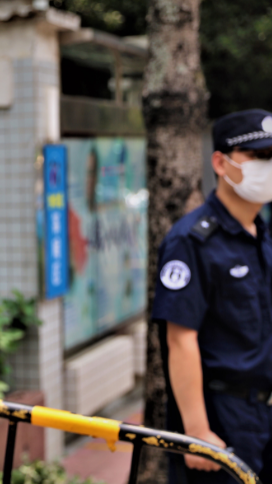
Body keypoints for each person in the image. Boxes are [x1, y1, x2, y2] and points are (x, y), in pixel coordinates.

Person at [153, 109, 272, 483]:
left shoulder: (262, 235)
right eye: (259, 156)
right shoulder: (191, 241)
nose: (268, 167)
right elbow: (180, 339)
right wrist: (198, 432)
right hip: (223, 417)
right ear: (220, 163)